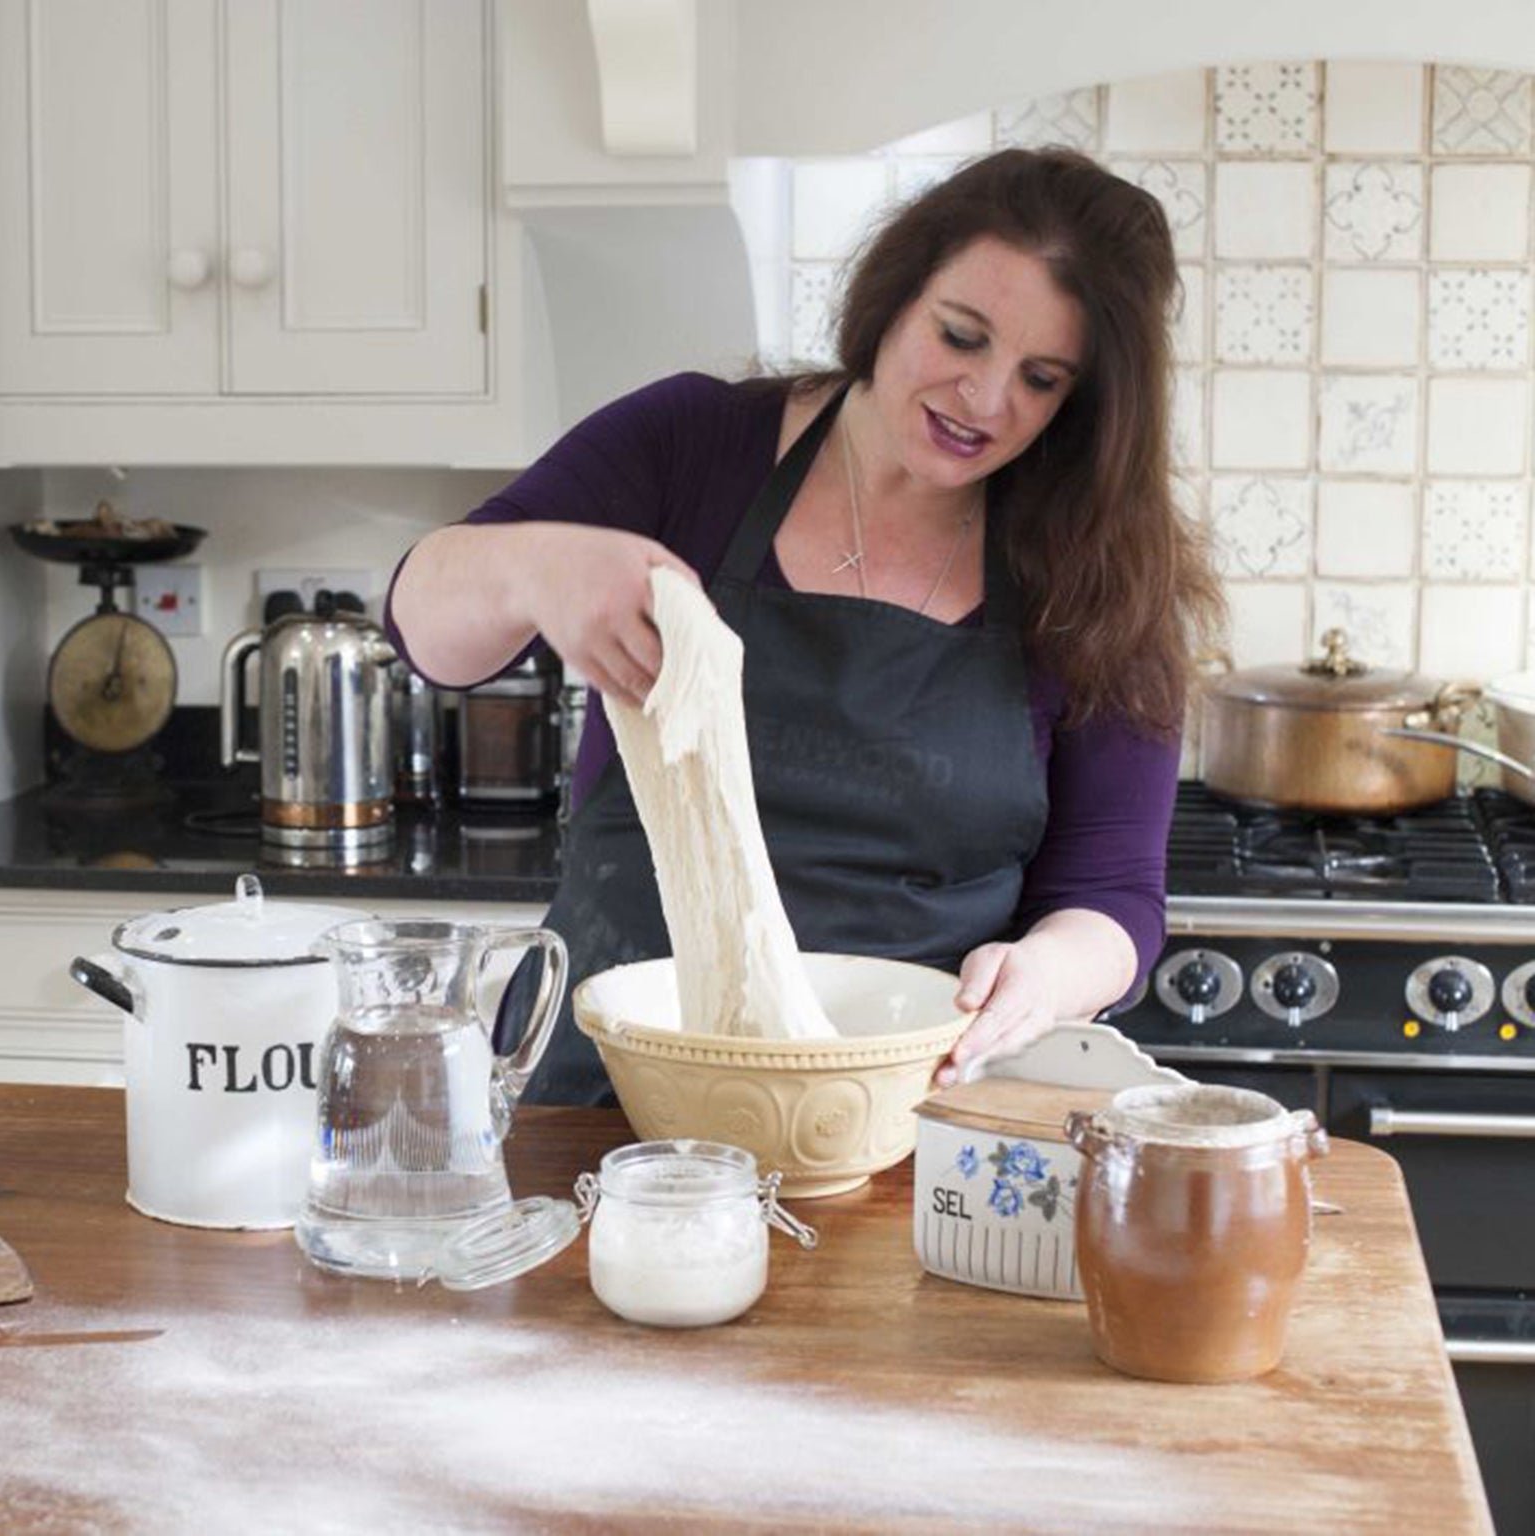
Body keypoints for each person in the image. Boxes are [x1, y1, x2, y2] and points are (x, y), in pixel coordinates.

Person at [387, 147, 1224, 1104]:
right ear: (894, 296)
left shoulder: (1097, 568)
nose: (985, 399)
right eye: (960, 337)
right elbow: (425, 630)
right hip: (610, 1094)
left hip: (907, 1109)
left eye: (1040, 378)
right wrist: (531, 565)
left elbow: (1113, 895)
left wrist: (1048, 976)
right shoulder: (692, 448)